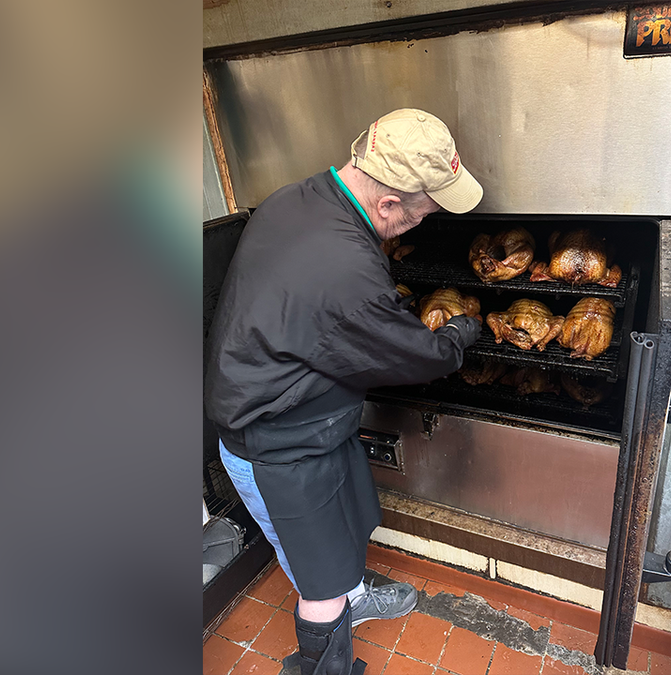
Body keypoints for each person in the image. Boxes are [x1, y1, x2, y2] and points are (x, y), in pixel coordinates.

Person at [205, 108, 483, 675]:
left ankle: (353, 597)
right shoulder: (346, 270)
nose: (418, 228)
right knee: (319, 579)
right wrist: (460, 330)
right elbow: (419, 357)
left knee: (348, 521)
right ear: (387, 204)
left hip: (307, 420)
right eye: (419, 217)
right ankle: (325, 659)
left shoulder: (297, 198)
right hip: (275, 442)